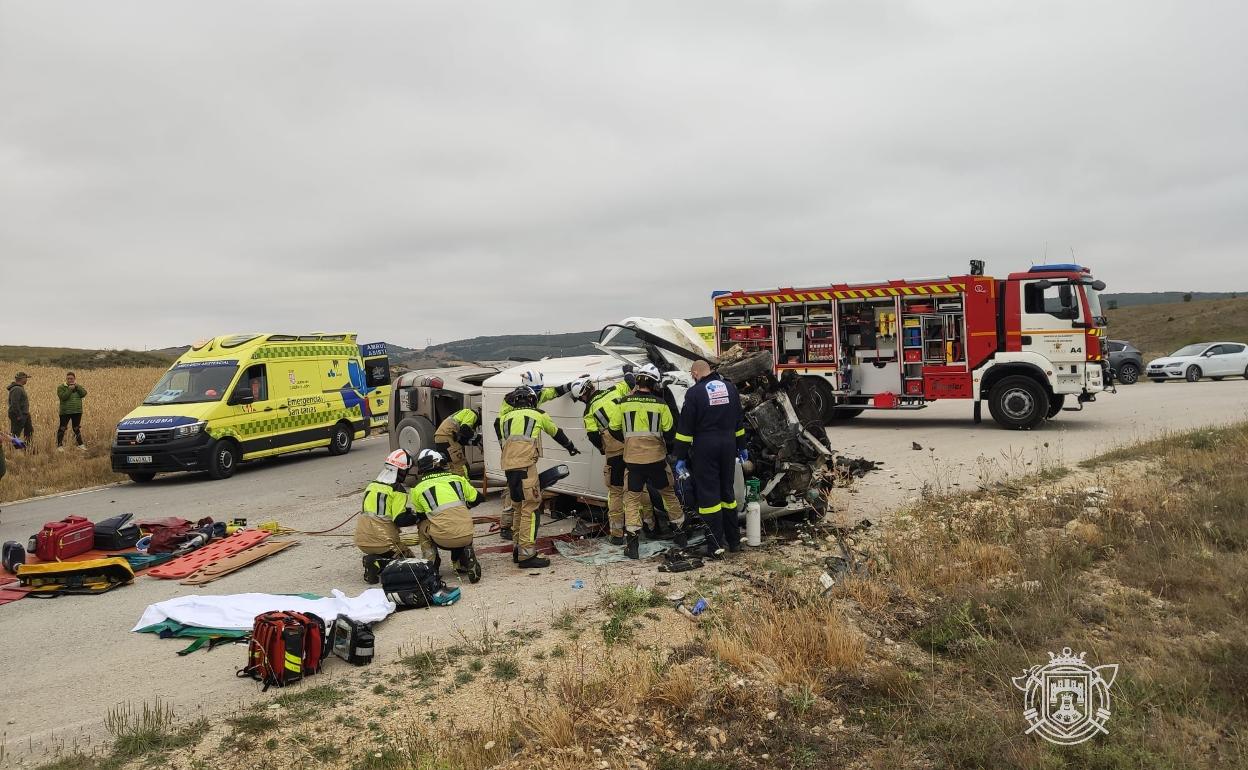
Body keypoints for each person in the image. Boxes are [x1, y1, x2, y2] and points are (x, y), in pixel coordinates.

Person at [610, 364, 686, 559]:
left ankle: (633, 545)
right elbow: (670, 433)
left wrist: (628, 441)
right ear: (654, 384)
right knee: (669, 495)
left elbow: (613, 428)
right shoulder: (661, 404)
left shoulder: (623, 403)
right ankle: (680, 534)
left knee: (632, 500)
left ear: (637, 381)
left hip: (633, 461)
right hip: (657, 460)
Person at [498, 386, 579, 568]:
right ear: (532, 400)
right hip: (526, 468)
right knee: (531, 509)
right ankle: (527, 555)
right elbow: (556, 432)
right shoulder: (538, 414)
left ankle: (518, 550)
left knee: (519, 508)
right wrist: (571, 447)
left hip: (509, 469)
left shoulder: (504, 418)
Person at [674, 359, 746, 558]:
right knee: (727, 494)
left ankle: (715, 546)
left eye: (692, 374)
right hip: (728, 445)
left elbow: (685, 430)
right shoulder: (731, 389)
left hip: (706, 447)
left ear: (697, 373)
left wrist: (680, 456)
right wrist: (742, 446)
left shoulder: (694, 393)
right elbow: (739, 421)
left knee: (709, 498)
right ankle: (734, 541)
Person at [408, 448, 484, 583]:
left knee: (422, 526)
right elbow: (478, 498)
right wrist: (465, 506)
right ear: (440, 463)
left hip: (442, 539)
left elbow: (421, 516)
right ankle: (463, 561)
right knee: (459, 519)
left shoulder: (417, 489)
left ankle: (431, 566)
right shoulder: (458, 479)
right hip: (466, 535)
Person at [354, 449, 419, 583]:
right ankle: (378, 562)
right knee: (411, 564)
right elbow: (400, 520)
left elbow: (382, 510)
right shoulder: (397, 490)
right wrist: (418, 516)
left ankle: (375, 561)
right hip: (384, 542)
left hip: (362, 541)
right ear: (401, 471)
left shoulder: (372, 486)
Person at [433, 407, 481, 479]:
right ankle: (463, 484)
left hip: (441, 438)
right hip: (446, 437)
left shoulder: (463, 414)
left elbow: (462, 440)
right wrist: (479, 438)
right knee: (461, 465)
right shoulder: (472, 414)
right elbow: (465, 429)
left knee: (450, 465)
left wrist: (475, 442)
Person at [56, 372, 88, 450]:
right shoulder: (61, 387)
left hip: (77, 411)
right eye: (68, 379)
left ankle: (80, 445)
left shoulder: (78, 387)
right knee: (62, 428)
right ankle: (59, 446)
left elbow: (84, 393)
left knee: (76, 428)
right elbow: (63, 397)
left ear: (74, 379)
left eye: (71, 379)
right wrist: (69, 390)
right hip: (65, 412)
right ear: (66, 379)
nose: (70, 380)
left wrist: (77, 387)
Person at [7, 372, 32, 447]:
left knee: (29, 431)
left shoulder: (19, 388)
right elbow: (14, 404)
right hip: (19, 415)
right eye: (26, 378)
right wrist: (18, 415)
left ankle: (28, 448)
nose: (26, 380)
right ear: (22, 379)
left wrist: (26, 413)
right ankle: (14, 449)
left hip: (24, 414)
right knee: (15, 434)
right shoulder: (17, 389)